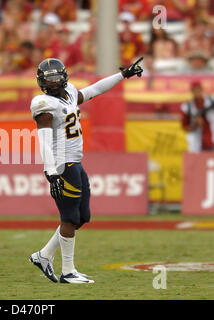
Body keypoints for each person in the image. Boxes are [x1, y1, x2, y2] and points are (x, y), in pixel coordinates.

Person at [29, 57, 143, 284]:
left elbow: (93, 90)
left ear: (63, 76)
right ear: (42, 81)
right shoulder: (42, 103)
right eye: (49, 78)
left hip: (75, 162)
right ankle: (68, 271)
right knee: (69, 217)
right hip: (62, 164)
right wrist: (50, 171)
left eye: (56, 77)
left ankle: (44, 255)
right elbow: (43, 139)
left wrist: (122, 75)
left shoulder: (69, 93)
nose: (53, 82)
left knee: (81, 217)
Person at [180, 81, 214, 152]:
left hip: (211, 140)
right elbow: (185, 126)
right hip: (196, 143)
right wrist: (195, 124)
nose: (197, 93)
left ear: (202, 90)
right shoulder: (187, 107)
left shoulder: (211, 102)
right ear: (192, 92)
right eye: (195, 90)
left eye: (199, 90)